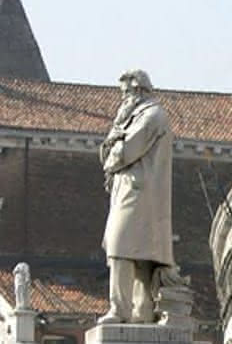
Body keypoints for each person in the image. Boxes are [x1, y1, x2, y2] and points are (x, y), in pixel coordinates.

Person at [97, 70, 175, 324]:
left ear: (139, 91)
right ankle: (141, 311)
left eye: (126, 93)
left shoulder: (152, 116)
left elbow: (125, 151)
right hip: (133, 191)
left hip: (140, 193)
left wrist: (113, 143)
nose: (123, 98)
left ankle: (120, 310)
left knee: (121, 247)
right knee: (139, 250)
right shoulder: (136, 117)